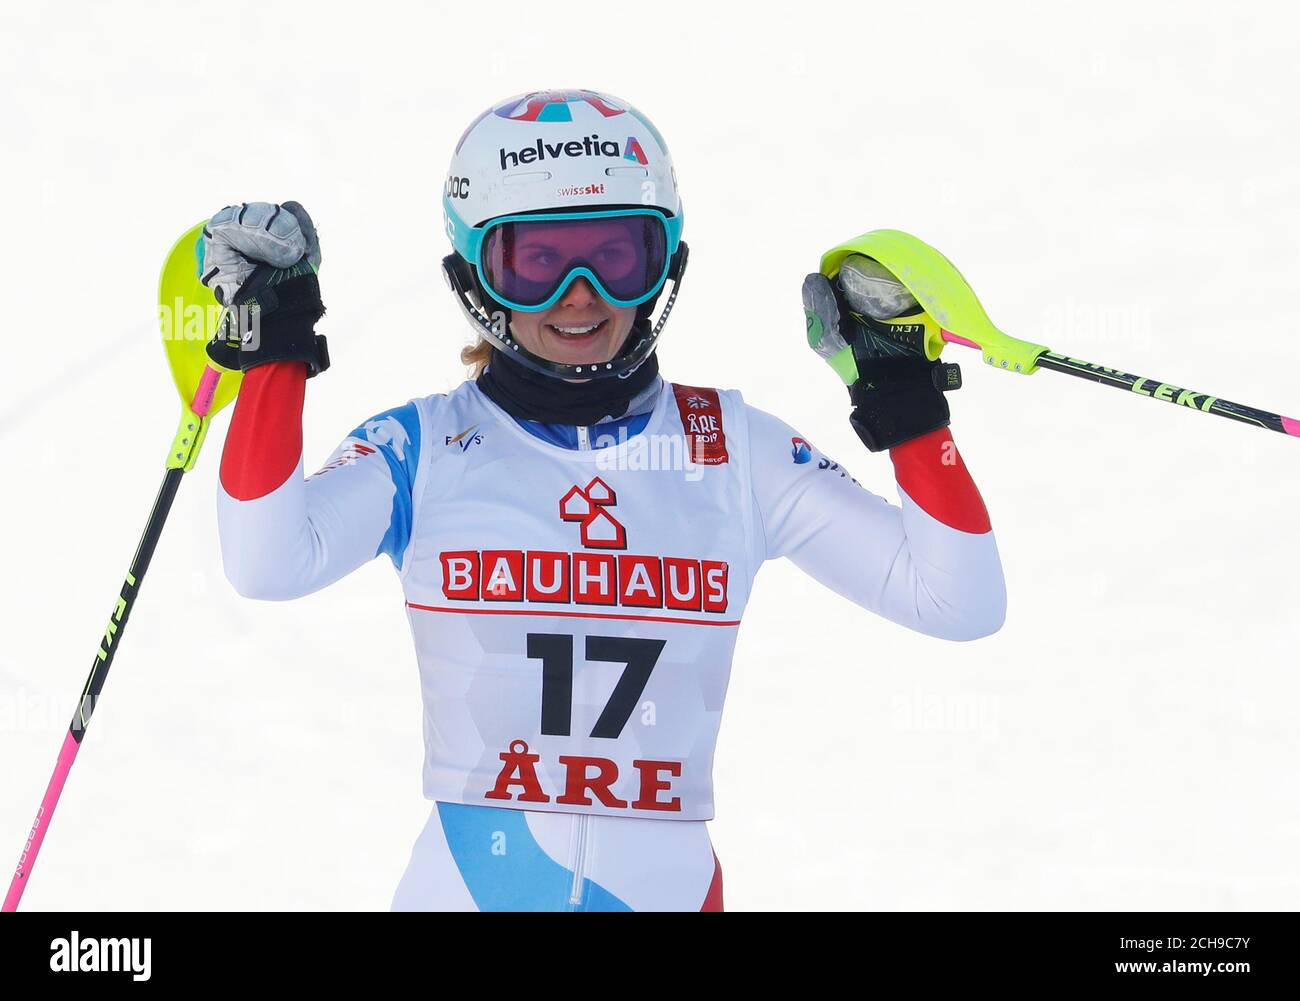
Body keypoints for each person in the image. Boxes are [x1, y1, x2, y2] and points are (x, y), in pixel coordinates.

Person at [201, 89, 1006, 912]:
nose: (580, 294)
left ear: (666, 262)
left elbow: (957, 599)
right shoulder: (424, 449)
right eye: (536, 261)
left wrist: (906, 405)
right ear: (477, 276)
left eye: (619, 256)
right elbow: (267, 561)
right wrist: (277, 348)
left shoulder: (731, 450)